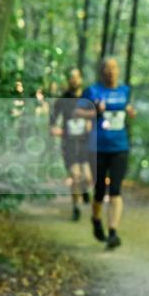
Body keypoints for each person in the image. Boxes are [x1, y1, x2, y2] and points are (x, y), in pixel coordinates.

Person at [78, 58, 135, 249]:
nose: (110, 72)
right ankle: (95, 219)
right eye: (106, 69)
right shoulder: (92, 91)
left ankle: (112, 232)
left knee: (116, 190)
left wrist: (129, 110)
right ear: (101, 72)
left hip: (120, 147)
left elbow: (126, 109)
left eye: (113, 68)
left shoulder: (125, 91)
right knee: (100, 191)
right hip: (97, 148)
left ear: (118, 70)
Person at [50, 68, 92, 220]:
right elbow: (52, 124)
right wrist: (61, 132)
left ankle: (85, 189)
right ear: (68, 80)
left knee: (87, 177)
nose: (74, 80)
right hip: (69, 144)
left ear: (80, 79)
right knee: (75, 176)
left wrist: (90, 124)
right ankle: (76, 208)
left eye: (76, 77)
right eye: (71, 78)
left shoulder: (88, 98)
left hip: (85, 144)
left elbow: (96, 117)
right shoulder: (62, 100)